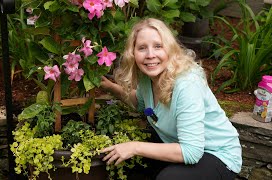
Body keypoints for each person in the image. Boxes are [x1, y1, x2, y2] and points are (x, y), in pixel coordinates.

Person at [100, 18, 242, 180]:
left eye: (158, 46)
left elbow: (192, 152)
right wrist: (110, 87)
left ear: (170, 49)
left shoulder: (187, 84)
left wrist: (134, 147)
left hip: (216, 155)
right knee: (129, 168)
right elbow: (139, 102)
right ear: (133, 53)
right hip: (178, 147)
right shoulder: (148, 78)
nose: (150, 55)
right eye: (142, 48)